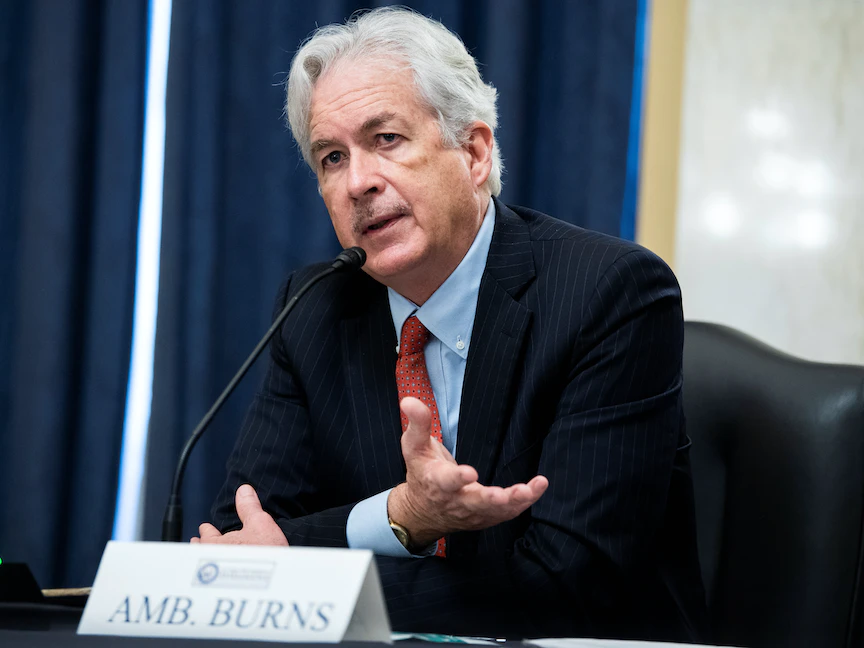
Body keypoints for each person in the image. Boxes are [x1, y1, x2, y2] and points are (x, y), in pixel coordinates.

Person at [198, 7, 707, 641]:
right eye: (332, 158)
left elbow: (570, 583)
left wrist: (311, 573)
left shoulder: (608, 294)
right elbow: (240, 538)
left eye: (387, 139)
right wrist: (401, 515)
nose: (358, 182)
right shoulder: (316, 309)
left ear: (473, 152)